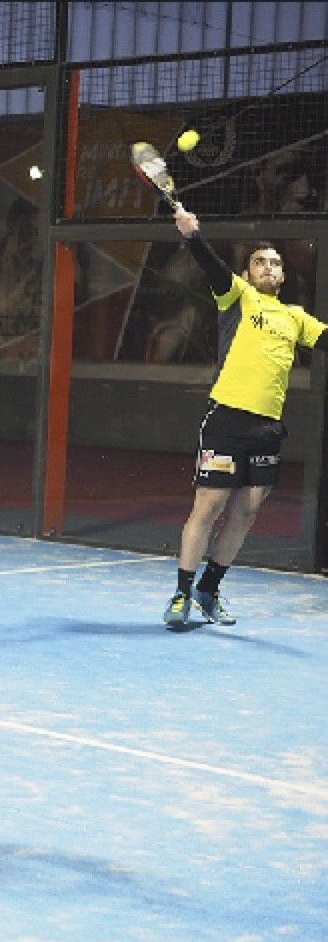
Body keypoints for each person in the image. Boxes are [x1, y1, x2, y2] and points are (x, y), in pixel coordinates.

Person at [162, 207, 328, 628]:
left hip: (267, 428)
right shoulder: (237, 297)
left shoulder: (295, 318)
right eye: (260, 262)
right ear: (248, 273)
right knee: (209, 506)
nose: (268, 267)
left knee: (247, 512)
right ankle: (181, 594)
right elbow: (212, 267)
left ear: (284, 275)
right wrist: (193, 236)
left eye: (275, 263)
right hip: (227, 420)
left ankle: (209, 589)